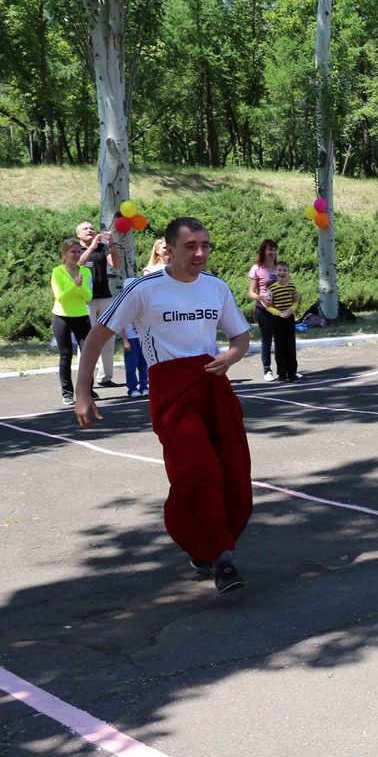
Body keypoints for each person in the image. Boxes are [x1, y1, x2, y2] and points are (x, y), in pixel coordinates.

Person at [75, 216, 253, 594]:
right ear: (169, 249)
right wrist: (83, 391)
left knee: (233, 472)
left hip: (214, 387)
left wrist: (232, 356)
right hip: (173, 393)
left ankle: (210, 542)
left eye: (205, 245)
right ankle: (220, 558)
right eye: (191, 246)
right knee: (198, 470)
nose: (200, 253)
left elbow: (240, 335)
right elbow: (97, 336)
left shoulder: (216, 288)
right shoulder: (143, 288)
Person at [75, 221, 122, 388]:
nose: (90, 230)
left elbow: (116, 264)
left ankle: (105, 377)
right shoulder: (75, 249)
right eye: (85, 229)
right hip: (85, 300)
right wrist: (92, 246)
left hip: (105, 297)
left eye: (91, 228)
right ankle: (86, 380)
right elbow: (77, 264)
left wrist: (111, 245)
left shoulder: (102, 248)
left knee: (107, 337)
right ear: (78, 234)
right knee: (86, 340)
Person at [51, 238, 94, 405]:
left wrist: (80, 285)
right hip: (61, 316)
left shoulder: (86, 271)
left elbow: (88, 296)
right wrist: (74, 285)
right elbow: (60, 297)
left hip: (81, 315)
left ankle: (86, 391)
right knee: (66, 354)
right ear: (64, 254)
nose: (77, 254)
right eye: (73, 251)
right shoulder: (57, 272)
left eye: (79, 251)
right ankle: (67, 393)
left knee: (87, 354)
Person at [264, 261, 302, 382]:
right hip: (277, 318)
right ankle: (282, 373)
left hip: (289, 318)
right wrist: (279, 313)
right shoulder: (271, 288)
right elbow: (268, 306)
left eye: (284, 270)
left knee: (290, 345)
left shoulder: (292, 287)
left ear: (288, 272)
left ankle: (292, 373)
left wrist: (291, 310)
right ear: (275, 272)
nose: (282, 272)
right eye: (279, 270)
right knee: (280, 346)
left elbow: (295, 301)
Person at [247, 239, 279, 380]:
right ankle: (267, 370)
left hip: (279, 310)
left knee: (281, 340)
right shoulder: (257, 268)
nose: (272, 252)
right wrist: (261, 298)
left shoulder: (279, 268)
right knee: (267, 340)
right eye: (269, 249)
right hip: (263, 310)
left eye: (274, 249)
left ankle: (285, 369)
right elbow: (251, 292)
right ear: (263, 251)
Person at [120, 321, 148, 397]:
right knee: (131, 366)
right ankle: (132, 388)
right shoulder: (124, 310)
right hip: (131, 339)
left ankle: (144, 386)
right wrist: (125, 340)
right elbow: (121, 324)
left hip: (143, 337)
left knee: (144, 365)